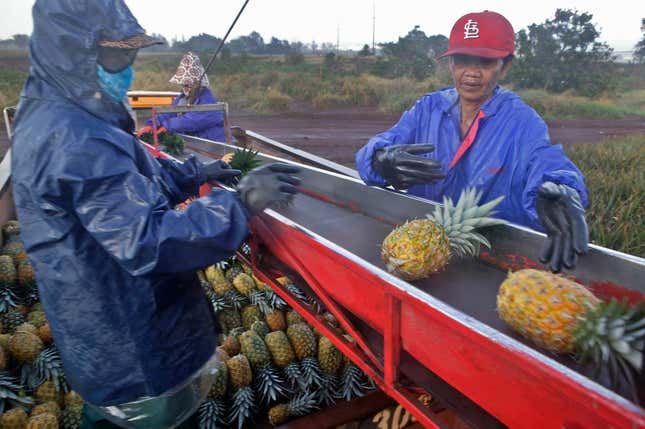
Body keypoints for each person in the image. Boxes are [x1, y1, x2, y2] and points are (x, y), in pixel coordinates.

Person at [10, 1, 300, 428]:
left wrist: (191, 174)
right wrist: (236, 205)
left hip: (107, 338)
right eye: (115, 55)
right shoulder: (73, 137)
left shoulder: (60, 112)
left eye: (130, 55)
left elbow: (120, 194)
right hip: (135, 352)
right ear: (71, 53)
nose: (126, 66)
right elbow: (146, 240)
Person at [356, 10, 589, 273]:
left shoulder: (522, 121)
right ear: (451, 63)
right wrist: (378, 159)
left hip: (491, 260)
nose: (472, 73)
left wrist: (563, 187)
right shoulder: (427, 109)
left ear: (505, 65)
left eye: (485, 63)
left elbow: (547, 161)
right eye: (462, 60)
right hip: (417, 254)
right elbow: (379, 147)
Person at [136, 51, 226, 142]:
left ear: (199, 84)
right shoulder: (182, 98)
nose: (185, 88)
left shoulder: (207, 98)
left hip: (212, 144)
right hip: (193, 144)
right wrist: (152, 124)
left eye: (187, 85)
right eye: (183, 85)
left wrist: (168, 126)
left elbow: (193, 120)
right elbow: (169, 113)